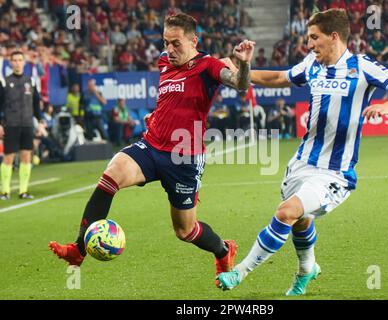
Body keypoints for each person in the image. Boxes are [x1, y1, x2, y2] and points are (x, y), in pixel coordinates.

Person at [217, 8, 388, 295]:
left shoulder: (362, 67)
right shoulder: (312, 63)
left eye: (314, 38)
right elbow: (278, 79)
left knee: (287, 212)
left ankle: (239, 272)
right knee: (300, 219)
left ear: (334, 37)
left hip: (334, 172)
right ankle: (307, 269)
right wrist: (239, 71)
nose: (309, 44)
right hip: (301, 163)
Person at [49, 13, 255, 287]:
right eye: (166, 42)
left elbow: (240, 84)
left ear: (194, 41)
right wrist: (157, 116)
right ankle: (78, 250)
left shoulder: (208, 66)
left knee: (185, 230)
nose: (169, 50)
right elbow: (170, 100)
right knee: (112, 174)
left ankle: (223, 250)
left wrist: (245, 64)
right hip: (151, 145)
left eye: (176, 44)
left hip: (184, 158)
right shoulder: (164, 63)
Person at [0, 51, 42, 200]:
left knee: (26, 157)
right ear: (10, 63)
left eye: (19, 60)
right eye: (14, 60)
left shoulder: (30, 81)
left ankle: (23, 191)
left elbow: (36, 103)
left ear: (24, 62)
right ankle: (5, 192)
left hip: (27, 124)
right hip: (10, 124)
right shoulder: (4, 82)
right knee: (8, 158)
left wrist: (41, 122)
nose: (17, 63)